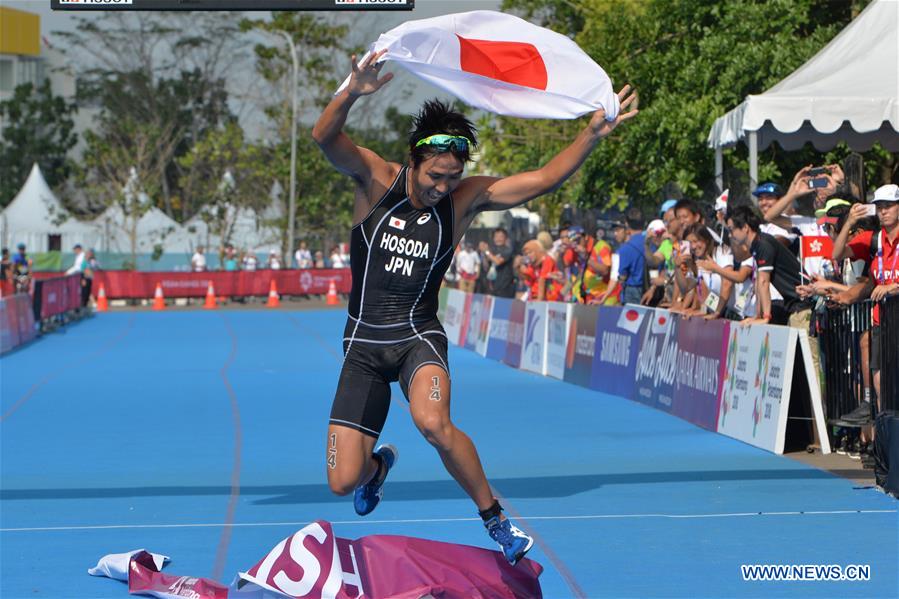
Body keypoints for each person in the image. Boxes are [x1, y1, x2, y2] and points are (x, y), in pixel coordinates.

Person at [312, 47, 637, 566]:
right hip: (364, 346)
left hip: (418, 336)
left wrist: (591, 133)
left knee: (433, 423)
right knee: (340, 482)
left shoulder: (464, 199)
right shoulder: (376, 180)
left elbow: (543, 179)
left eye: (451, 177)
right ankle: (376, 469)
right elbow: (324, 138)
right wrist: (351, 91)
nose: (442, 187)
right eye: (433, 175)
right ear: (413, 159)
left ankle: (496, 520)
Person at [615, 207, 647, 305]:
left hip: (632, 291)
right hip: (649, 288)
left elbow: (623, 275)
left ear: (627, 225)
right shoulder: (650, 243)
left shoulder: (626, 248)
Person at [481, 227, 515, 298]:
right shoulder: (492, 250)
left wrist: (487, 252)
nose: (498, 239)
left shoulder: (508, 250)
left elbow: (498, 261)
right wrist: (483, 252)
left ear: (505, 238)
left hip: (505, 288)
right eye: (496, 236)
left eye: (501, 237)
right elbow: (486, 266)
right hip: (492, 287)